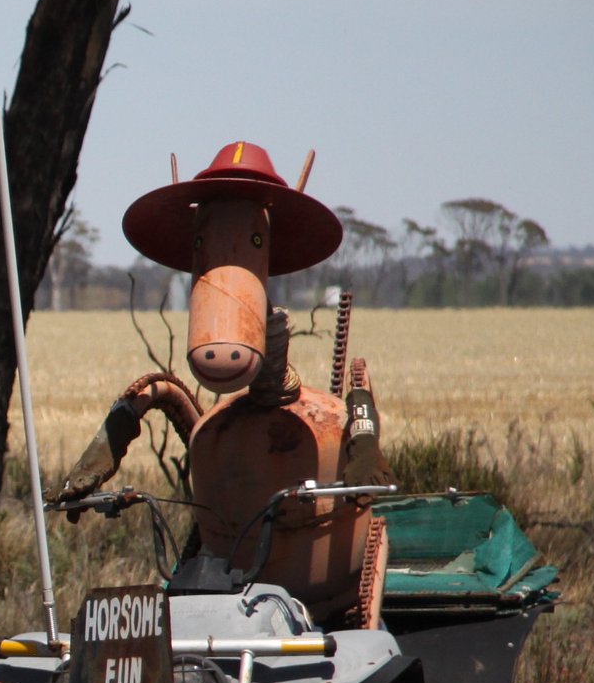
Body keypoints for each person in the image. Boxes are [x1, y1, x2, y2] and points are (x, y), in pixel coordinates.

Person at [56, 141, 387, 626]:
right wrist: (102, 453)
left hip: (322, 597)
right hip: (220, 592)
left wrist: (364, 449)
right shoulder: (213, 429)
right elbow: (159, 393)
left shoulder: (323, 418)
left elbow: (358, 410)